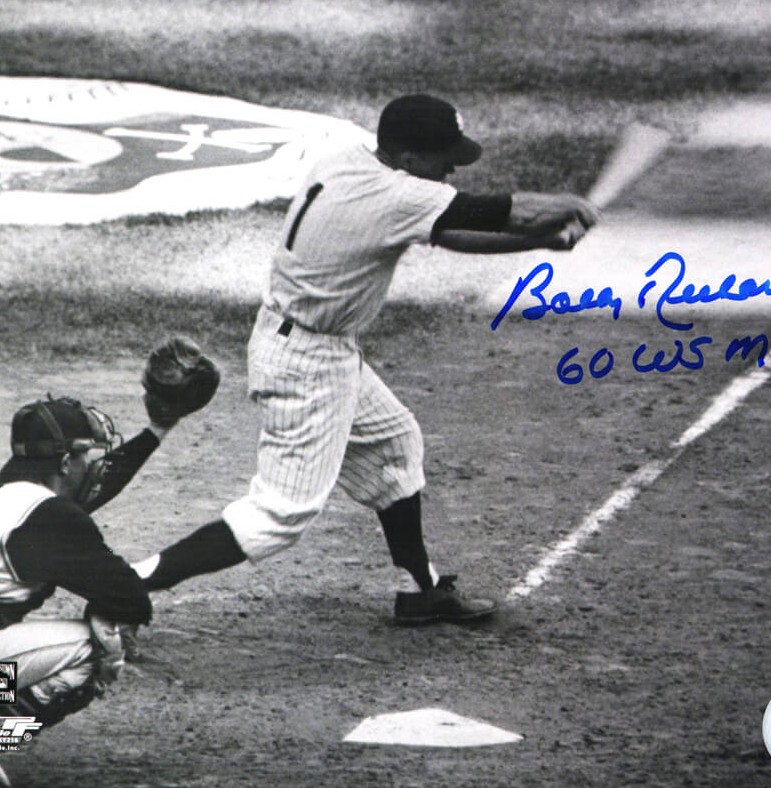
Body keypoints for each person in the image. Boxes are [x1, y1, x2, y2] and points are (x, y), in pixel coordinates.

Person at [133, 93, 599, 625]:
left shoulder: (348, 162)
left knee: (393, 444)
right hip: (307, 364)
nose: (450, 168)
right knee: (279, 515)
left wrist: (539, 242)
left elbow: (448, 232)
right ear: (407, 157)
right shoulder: (397, 194)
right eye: (443, 158)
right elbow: (507, 211)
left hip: (309, 344)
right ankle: (128, 581)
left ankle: (419, 590)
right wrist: (568, 206)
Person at [0, 393, 177, 788]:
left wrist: (158, 430)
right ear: (65, 464)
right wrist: (103, 612)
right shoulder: (46, 516)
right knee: (94, 651)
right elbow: (132, 600)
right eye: (87, 457)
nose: (95, 467)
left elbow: (78, 504)